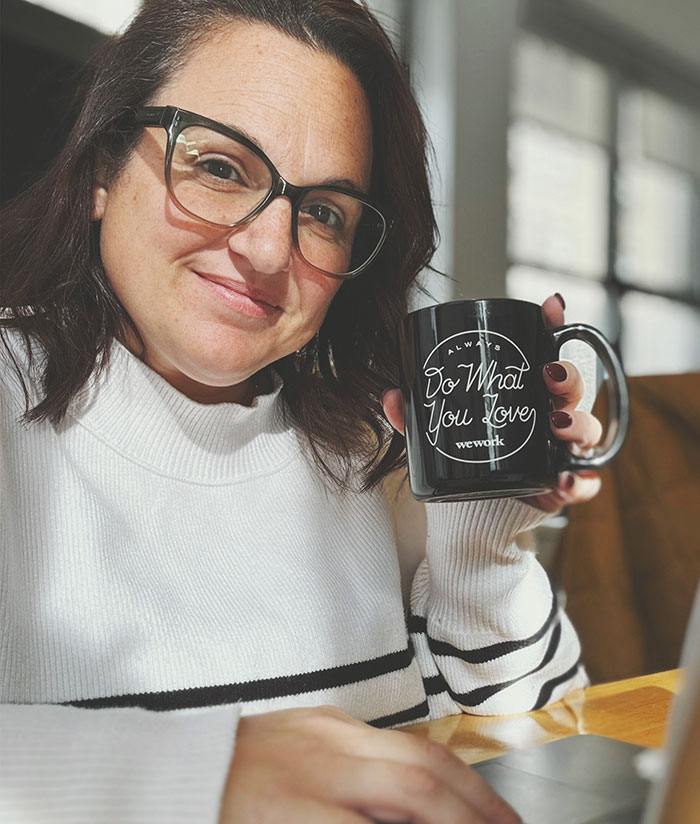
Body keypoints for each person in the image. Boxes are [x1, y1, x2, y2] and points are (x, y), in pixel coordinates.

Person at [0, 1, 603, 821]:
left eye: (323, 213)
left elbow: (542, 757)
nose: (267, 250)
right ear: (104, 168)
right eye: (220, 167)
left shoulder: (371, 443)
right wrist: (201, 772)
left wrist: (481, 530)